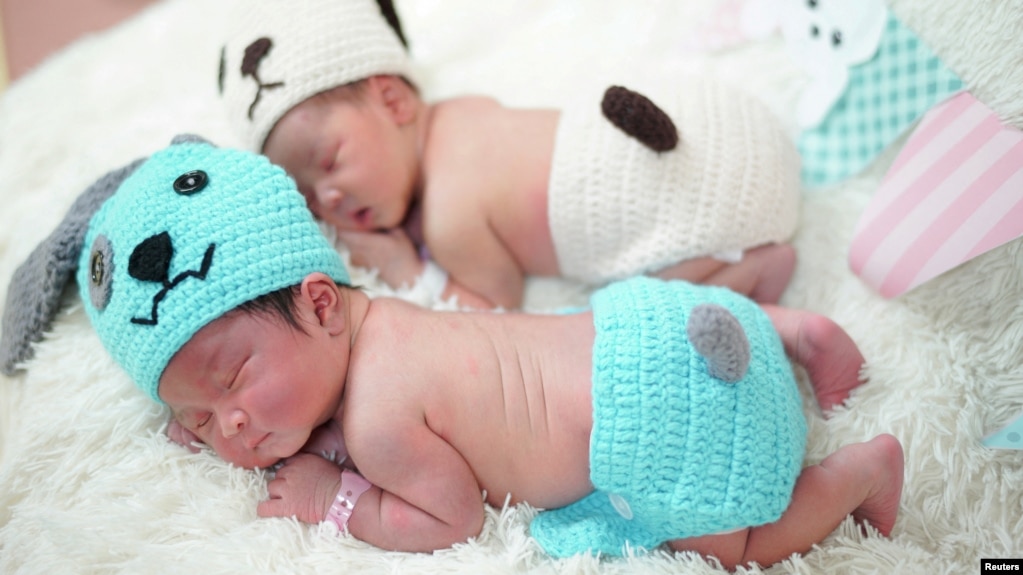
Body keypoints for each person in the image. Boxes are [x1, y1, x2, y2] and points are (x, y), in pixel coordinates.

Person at [0, 137, 902, 569]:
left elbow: (453, 519)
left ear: (319, 302)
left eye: (231, 381)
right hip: (656, 327)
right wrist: (222, 411)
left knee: (734, 544)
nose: (227, 424)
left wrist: (334, 497)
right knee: (642, 317)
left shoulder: (383, 419)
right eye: (197, 415)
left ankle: (860, 471)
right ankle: (783, 325)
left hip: (664, 422)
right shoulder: (384, 323)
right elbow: (277, 400)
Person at [218, 0, 804, 310]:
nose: (330, 198)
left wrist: (406, 268)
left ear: (394, 100)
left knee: (634, 312)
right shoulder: (465, 111)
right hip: (732, 125)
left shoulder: (452, 217)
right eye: (311, 196)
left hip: (703, 206)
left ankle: (743, 269)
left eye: (330, 162)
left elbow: (493, 309)